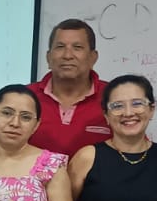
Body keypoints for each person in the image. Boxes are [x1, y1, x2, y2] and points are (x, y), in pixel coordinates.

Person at [28, 18, 110, 159]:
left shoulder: (114, 98)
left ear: (93, 57)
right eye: (60, 47)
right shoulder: (25, 97)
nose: (67, 55)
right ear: (48, 57)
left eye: (77, 47)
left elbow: (135, 148)